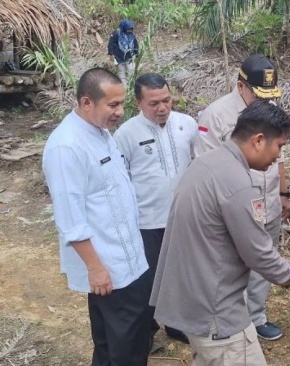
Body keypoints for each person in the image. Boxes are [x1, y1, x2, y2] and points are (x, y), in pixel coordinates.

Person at [150, 100, 290, 366]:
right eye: (279, 146)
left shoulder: (205, 164)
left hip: (194, 301)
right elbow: (259, 253)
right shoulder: (239, 184)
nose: (278, 157)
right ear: (259, 140)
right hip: (218, 314)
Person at [42, 67, 150, 365]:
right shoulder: (67, 147)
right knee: (124, 344)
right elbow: (70, 219)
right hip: (108, 266)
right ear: (86, 102)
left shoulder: (101, 133)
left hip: (129, 257)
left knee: (117, 339)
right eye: (112, 105)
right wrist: (96, 268)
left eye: (121, 104)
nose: (119, 112)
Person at [194, 54, 290, 341]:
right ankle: (229, 319)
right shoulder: (216, 115)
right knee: (231, 264)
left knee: (265, 257)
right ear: (240, 86)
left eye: (269, 96)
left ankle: (256, 316)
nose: (264, 101)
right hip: (234, 207)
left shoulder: (270, 111)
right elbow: (204, 165)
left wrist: (284, 192)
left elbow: (280, 156)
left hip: (269, 200)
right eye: (259, 94)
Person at [113, 73, 198, 347]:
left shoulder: (187, 125)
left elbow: (198, 166)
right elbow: (121, 180)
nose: (162, 108)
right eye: (153, 103)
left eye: (166, 100)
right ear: (138, 102)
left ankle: (175, 323)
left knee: (179, 274)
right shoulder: (126, 134)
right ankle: (146, 330)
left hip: (182, 218)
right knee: (147, 280)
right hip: (146, 221)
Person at [108, 19, 139, 86]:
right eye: (128, 29)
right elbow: (111, 44)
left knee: (131, 70)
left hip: (130, 56)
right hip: (119, 56)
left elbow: (135, 44)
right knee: (121, 71)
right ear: (124, 28)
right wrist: (111, 54)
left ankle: (131, 85)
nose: (130, 31)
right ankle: (124, 87)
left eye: (131, 29)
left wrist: (137, 53)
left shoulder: (132, 35)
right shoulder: (116, 34)